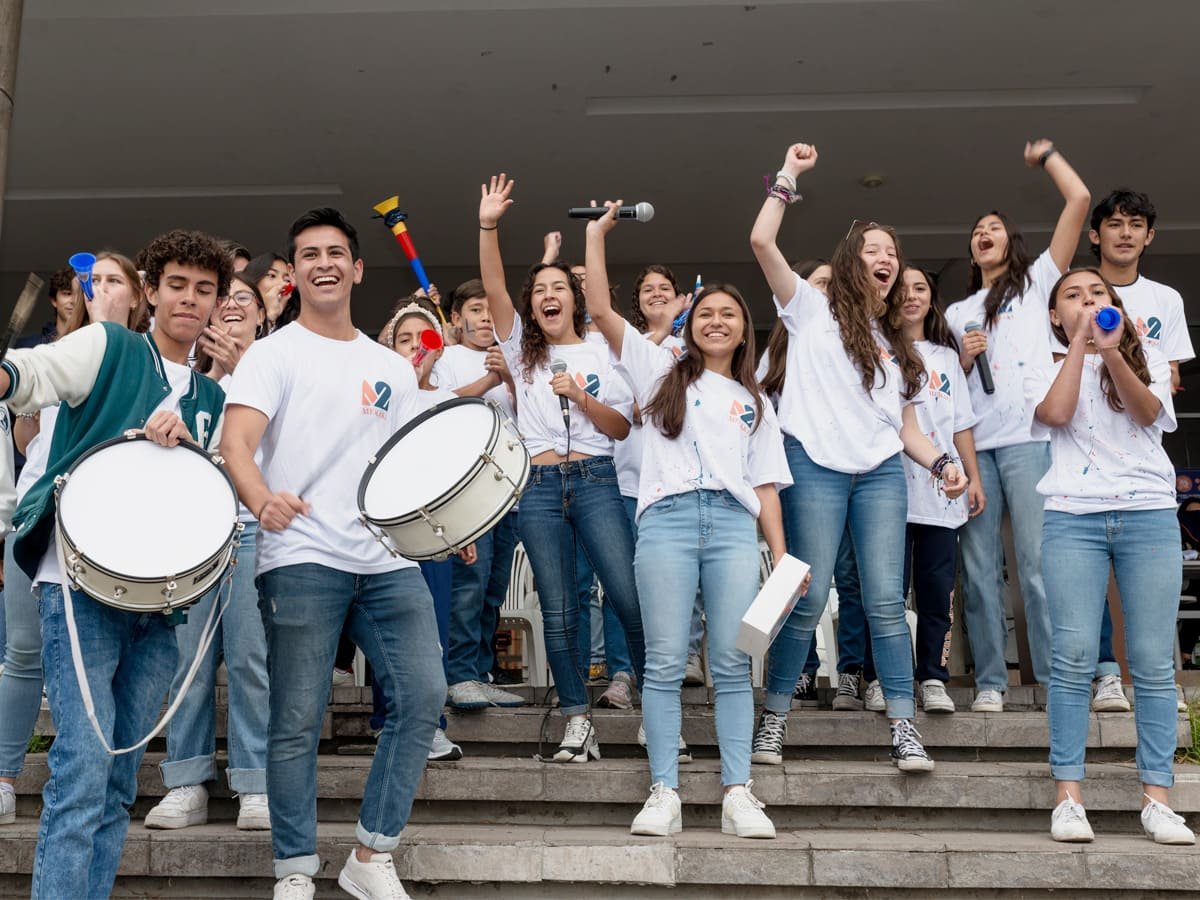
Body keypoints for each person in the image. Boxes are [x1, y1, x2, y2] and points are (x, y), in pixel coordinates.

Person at [220, 208, 445, 900]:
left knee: (424, 697)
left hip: (386, 560)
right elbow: (236, 444)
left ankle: (371, 856)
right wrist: (261, 500)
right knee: (295, 716)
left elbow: (407, 465)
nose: (323, 262)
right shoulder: (272, 353)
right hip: (301, 555)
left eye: (335, 252)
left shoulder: (391, 369)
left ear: (356, 268)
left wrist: (440, 526)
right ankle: (294, 864)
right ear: (294, 270)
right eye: (309, 253)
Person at [0, 230, 229, 899]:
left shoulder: (212, 402)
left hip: (158, 605)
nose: (190, 299)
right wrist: (10, 375)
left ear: (216, 303)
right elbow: (39, 375)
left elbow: (201, 502)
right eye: (177, 285)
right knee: (81, 766)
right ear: (151, 292)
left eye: (205, 289)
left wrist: (196, 454)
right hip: (75, 588)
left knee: (120, 779)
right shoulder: (110, 346)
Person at [748, 142, 967, 773]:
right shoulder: (811, 311)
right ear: (850, 262)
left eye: (892, 254)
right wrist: (788, 176)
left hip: (879, 477)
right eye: (872, 249)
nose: (885, 258)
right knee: (803, 596)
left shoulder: (898, 346)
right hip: (813, 468)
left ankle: (903, 727)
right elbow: (763, 242)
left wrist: (943, 464)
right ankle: (773, 721)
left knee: (883, 603)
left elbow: (908, 431)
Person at [586, 199, 795, 838]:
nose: (717, 321)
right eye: (706, 313)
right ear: (688, 322)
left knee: (734, 662)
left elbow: (765, 485)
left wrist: (782, 557)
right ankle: (664, 792)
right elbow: (598, 308)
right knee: (666, 659)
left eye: (729, 314)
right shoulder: (657, 372)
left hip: (733, 530)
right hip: (667, 525)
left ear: (743, 329)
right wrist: (596, 236)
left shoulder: (755, 400)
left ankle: (738, 791)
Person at [478, 173, 645, 762]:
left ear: (575, 298)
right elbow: (494, 284)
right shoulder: (523, 349)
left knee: (627, 594)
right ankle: (576, 718)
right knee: (559, 607)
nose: (549, 295)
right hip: (540, 487)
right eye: (539, 289)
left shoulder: (604, 349)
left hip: (597, 481)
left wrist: (581, 396)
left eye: (559, 287)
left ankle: (655, 706)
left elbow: (623, 428)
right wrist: (489, 224)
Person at [1028, 268, 1193, 846]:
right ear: (1055, 314)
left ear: (1115, 305)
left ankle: (1157, 799)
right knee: (1072, 656)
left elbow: (1147, 412)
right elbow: (1055, 414)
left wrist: (1114, 351)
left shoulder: (1145, 350)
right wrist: (1080, 346)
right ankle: (1069, 799)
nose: (1087, 301)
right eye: (1072, 296)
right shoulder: (1043, 361)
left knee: (1149, 660)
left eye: (1097, 294)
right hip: (1073, 515)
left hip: (1147, 512)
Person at [0, 251, 151, 831]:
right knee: (22, 652)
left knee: (95, 668)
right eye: (95, 281)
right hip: (39, 517)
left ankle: (103, 784)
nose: (100, 288)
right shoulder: (61, 352)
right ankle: (6, 775)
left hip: (105, 529)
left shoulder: (144, 363)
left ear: (139, 295)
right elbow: (26, 434)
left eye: (116, 280)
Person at [945, 140, 1090, 712]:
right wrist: (958, 359)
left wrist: (1050, 156)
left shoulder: (1036, 284)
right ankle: (990, 682)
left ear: (1011, 241)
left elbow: (1078, 200)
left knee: (1036, 568)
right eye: (977, 230)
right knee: (979, 573)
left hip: (1031, 442)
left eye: (995, 227)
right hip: (976, 450)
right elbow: (942, 391)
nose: (984, 234)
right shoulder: (955, 314)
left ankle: (1056, 683)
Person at [142, 273, 271, 832]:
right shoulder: (184, 380)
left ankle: (255, 783)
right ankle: (186, 780)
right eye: (227, 300)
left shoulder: (278, 367)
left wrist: (245, 368)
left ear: (264, 314)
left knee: (248, 659)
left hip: (248, 530)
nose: (233, 306)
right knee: (188, 663)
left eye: (246, 298)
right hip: (192, 536)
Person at [1085, 189, 1194, 712]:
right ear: (1095, 234)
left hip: (1145, 458)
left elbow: (1170, 380)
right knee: (1088, 577)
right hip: (1082, 455)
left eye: (1135, 224)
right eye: (1114, 223)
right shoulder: (1077, 293)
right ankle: (1106, 673)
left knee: (1147, 577)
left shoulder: (1165, 300)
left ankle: (1154, 678)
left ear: (1149, 236)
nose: (1125, 232)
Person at [377, 295, 481, 761]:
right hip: (382, 533)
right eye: (404, 340)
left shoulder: (444, 400)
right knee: (389, 629)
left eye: (425, 339)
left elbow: (452, 468)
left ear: (440, 346)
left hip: (434, 531)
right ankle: (387, 722)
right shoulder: (378, 393)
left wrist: (464, 529)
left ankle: (430, 725)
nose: (416, 347)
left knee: (432, 628)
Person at [886, 267, 986, 713]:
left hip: (942, 497)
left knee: (936, 592)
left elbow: (960, 423)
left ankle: (932, 677)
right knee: (887, 592)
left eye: (920, 289)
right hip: (888, 492)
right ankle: (882, 676)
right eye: (902, 290)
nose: (911, 297)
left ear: (932, 299)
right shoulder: (880, 349)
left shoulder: (946, 357)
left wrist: (974, 477)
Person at [431, 280, 525, 708]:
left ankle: (481, 670)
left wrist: (512, 379)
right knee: (467, 583)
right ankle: (459, 673)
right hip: (464, 491)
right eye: (474, 308)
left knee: (492, 586)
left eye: (491, 309)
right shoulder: (447, 359)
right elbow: (436, 406)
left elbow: (532, 416)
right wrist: (492, 378)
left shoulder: (517, 359)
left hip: (509, 491)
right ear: (455, 318)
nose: (486, 316)